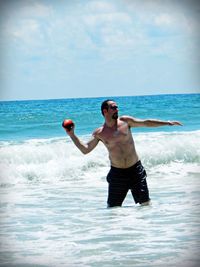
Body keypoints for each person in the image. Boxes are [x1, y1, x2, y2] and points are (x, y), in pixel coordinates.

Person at [63, 99, 182, 208]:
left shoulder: (126, 122)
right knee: (113, 209)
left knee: (146, 205)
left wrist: (167, 123)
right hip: (117, 174)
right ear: (105, 111)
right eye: (113, 107)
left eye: (117, 107)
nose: (117, 109)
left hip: (136, 170)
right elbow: (85, 149)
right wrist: (72, 135)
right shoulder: (100, 133)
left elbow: (146, 122)